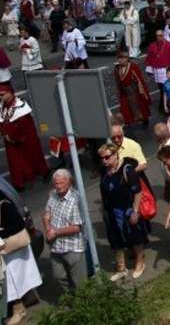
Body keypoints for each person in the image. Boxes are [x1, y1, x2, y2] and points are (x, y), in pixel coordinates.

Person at [0, 179, 42, 325]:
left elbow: (19, 225)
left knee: (13, 281)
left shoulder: (4, 206)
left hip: (13, 250)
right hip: (2, 251)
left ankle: (19, 310)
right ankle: (27, 300)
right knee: (12, 280)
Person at [98, 142, 149, 282]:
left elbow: (138, 192)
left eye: (107, 157)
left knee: (135, 237)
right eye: (102, 158)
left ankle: (140, 263)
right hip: (111, 211)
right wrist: (104, 208)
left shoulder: (127, 170)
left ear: (116, 155)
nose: (104, 161)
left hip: (127, 209)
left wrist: (135, 211)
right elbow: (103, 190)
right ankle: (121, 268)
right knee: (115, 240)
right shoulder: (104, 170)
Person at [0, 84, 49, 191]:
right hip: (10, 140)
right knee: (15, 161)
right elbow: (0, 122)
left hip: (25, 139)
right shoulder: (1, 107)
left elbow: (23, 124)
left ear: (10, 93)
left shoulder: (21, 105)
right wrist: (5, 134)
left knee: (34, 156)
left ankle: (44, 172)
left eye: (2, 95)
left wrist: (13, 136)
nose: (0, 97)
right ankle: (19, 182)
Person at [43, 169, 87, 294]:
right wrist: (48, 229)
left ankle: (84, 305)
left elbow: (76, 227)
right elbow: (46, 215)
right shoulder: (53, 196)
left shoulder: (75, 200)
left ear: (70, 182)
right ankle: (71, 300)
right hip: (56, 246)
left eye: (62, 183)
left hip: (73, 247)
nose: (59, 186)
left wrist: (55, 232)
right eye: (56, 184)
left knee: (79, 282)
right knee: (58, 276)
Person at [146, 30, 170, 114]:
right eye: (157, 36)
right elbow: (150, 58)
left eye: (161, 35)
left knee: (168, 89)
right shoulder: (152, 46)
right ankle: (164, 106)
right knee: (162, 89)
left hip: (167, 71)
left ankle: (168, 107)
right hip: (158, 72)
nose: (159, 37)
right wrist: (150, 70)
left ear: (164, 35)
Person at [114, 50, 152, 127]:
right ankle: (128, 122)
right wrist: (119, 92)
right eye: (119, 58)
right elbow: (118, 81)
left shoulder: (133, 67)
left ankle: (145, 119)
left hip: (134, 92)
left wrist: (142, 91)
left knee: (139, 107)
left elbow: (139, 79)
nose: (120, 60)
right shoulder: (117, 68)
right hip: (124, 92)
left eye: (122, 58)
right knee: (125, 108)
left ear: (126, 59)